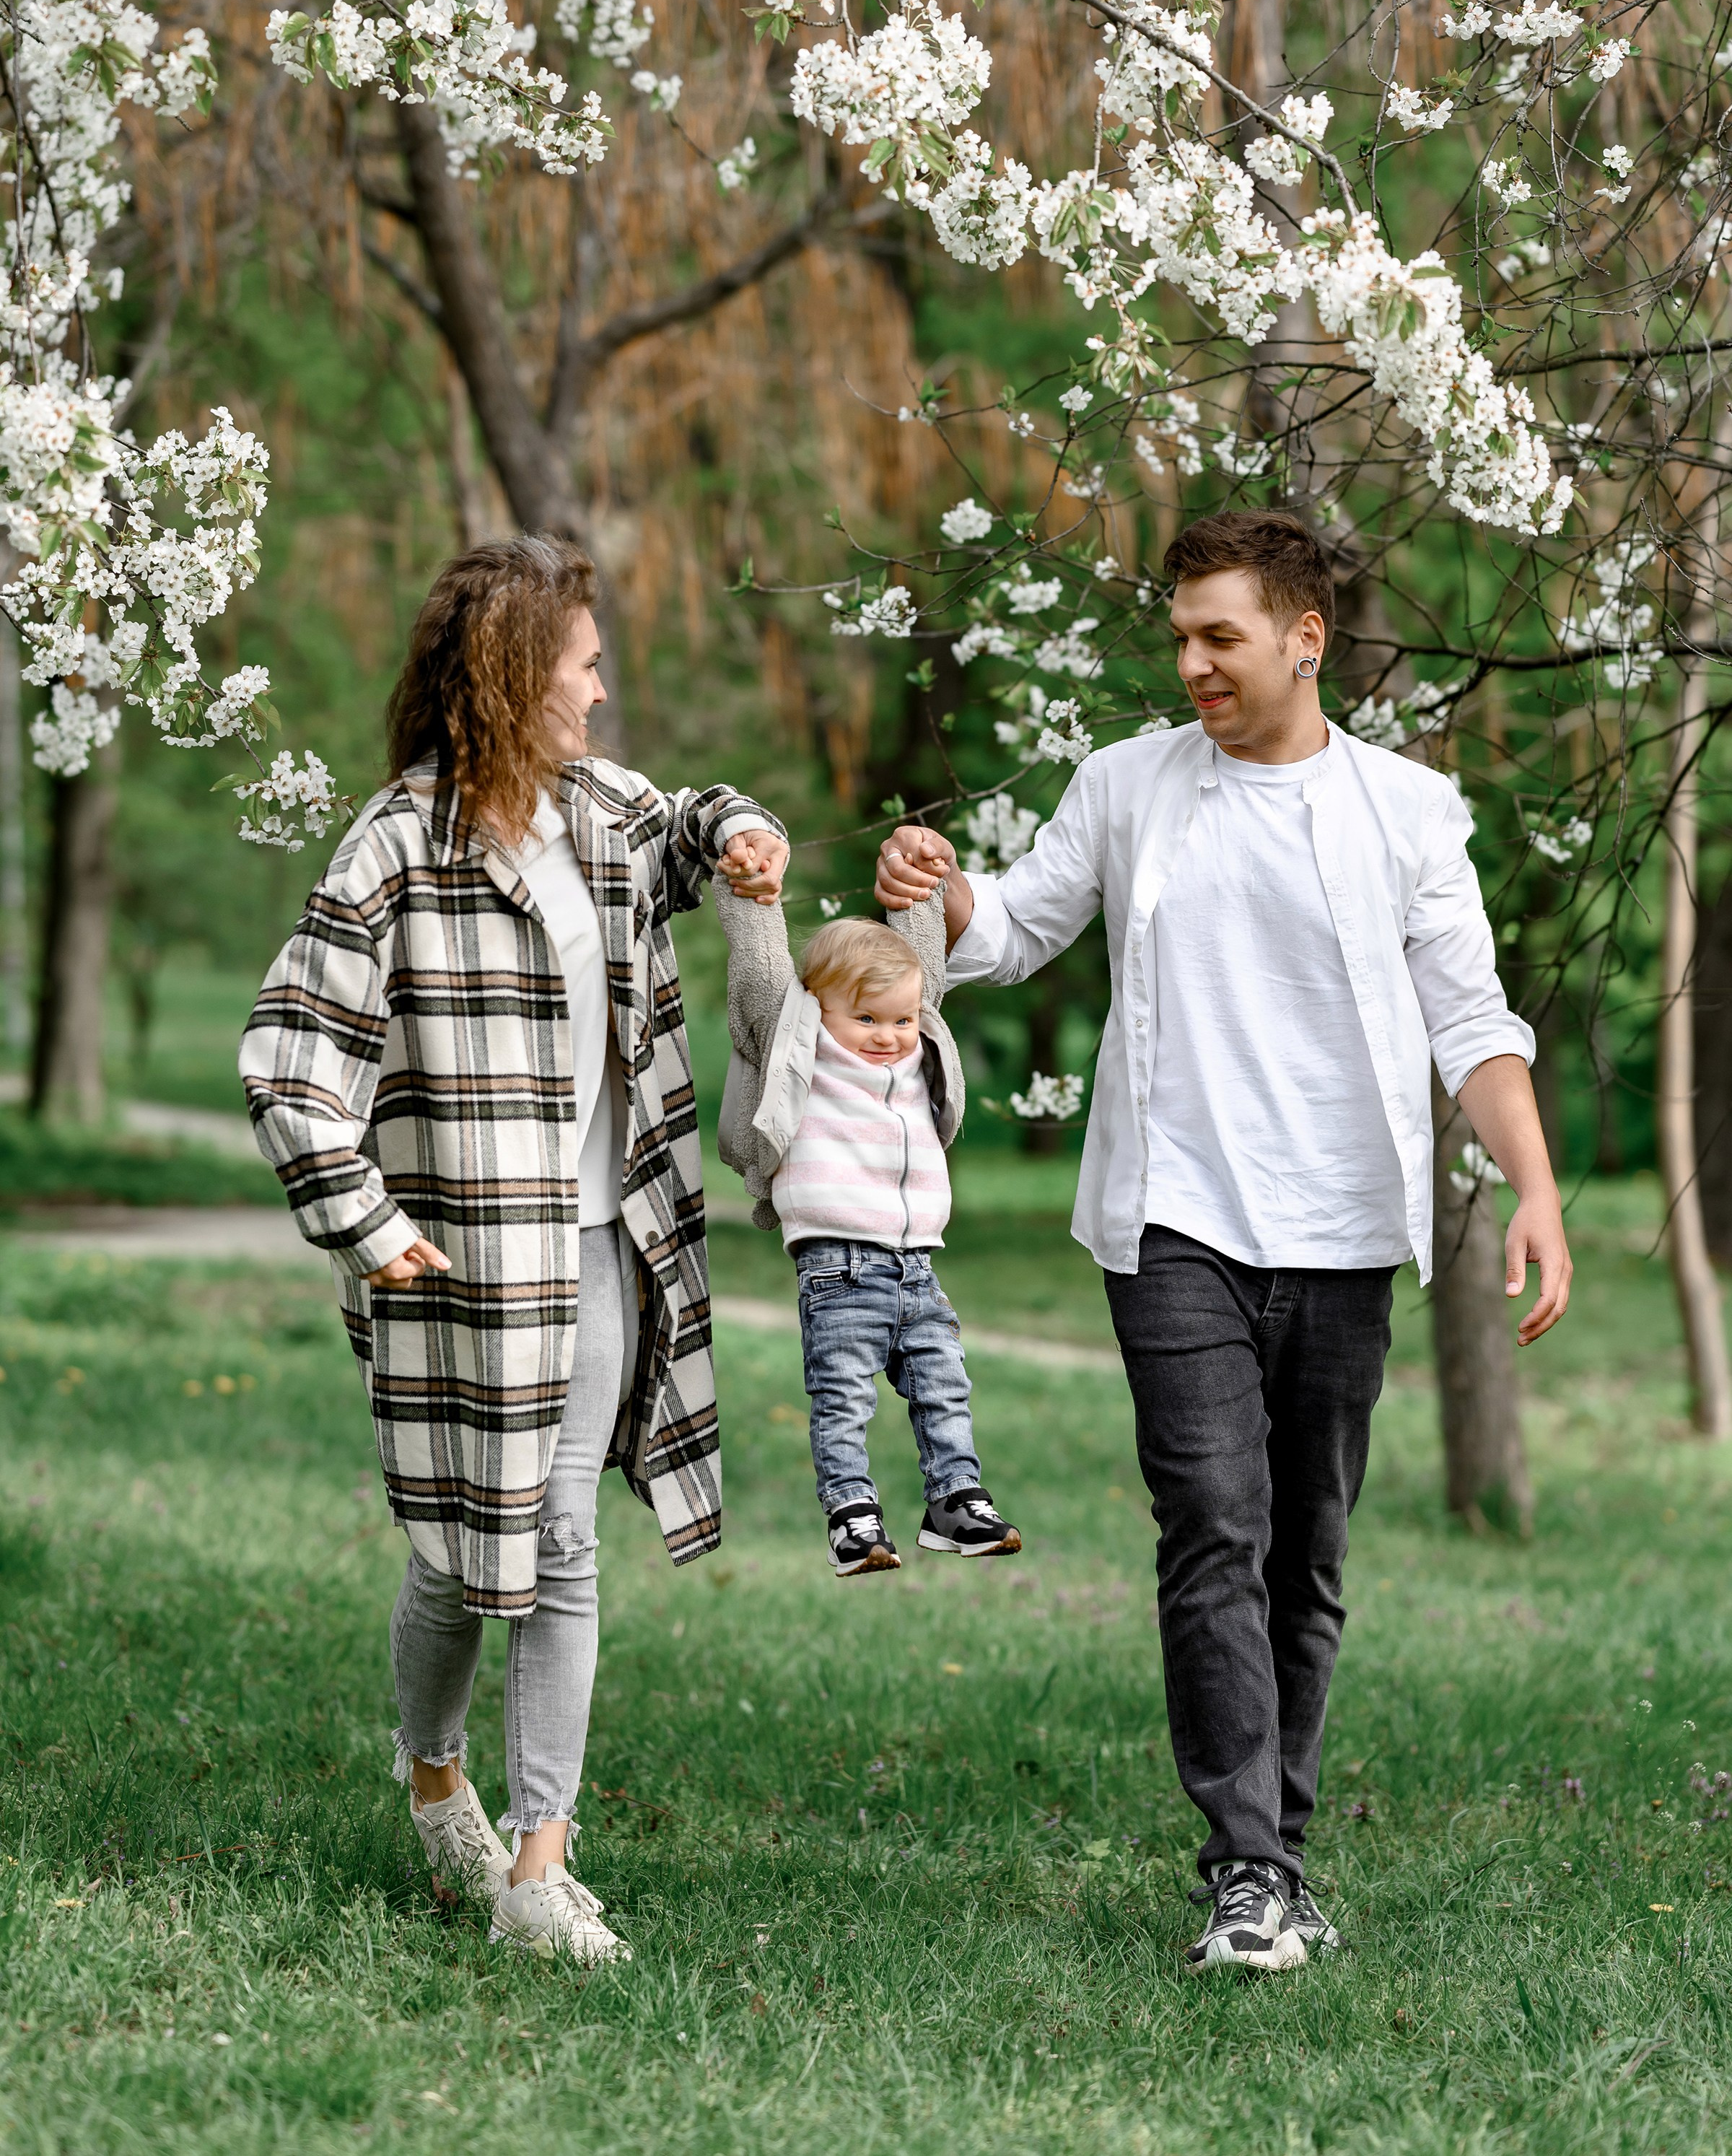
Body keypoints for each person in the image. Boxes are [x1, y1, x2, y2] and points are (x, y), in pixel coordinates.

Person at [876, 509, 1570, 1975]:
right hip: (1172, 1215)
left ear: (1305, 639)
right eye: (1180, 636)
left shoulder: (1406, 811)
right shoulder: (1127, 785)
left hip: (1341, 1227)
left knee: (1305, 1554)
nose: (1191, 662)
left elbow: (1470, 1019)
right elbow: (1013, 927)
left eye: (1220, 637)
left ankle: (1283, 1854)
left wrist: (1536, 1188)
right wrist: (942, 888)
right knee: (1211, 1522)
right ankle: (1245, 1871)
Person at [240, 536, 787, 1965]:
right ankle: (435, 1777)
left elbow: (695, 822)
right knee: (460, 1552)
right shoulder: (393, 849)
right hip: (465, 1261)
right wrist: (367, 1224)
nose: (601, 695)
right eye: (585, 667)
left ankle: (540, 1864)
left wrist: (743, 834)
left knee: (560, 1543)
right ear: (512, 674)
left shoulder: (604, 811)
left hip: (605, 1241)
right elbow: (289, 1058)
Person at [712, 889, 1020, 1574]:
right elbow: (761, 969)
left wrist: (922, 883)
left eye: (901, 1018)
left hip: (919, 1267)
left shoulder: (915, 1051)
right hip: (839, 1266)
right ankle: (851, 1513)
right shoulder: (804, 1048)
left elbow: (921, 960)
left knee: (945, 1387)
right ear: (817, 1009)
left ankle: (955, 1500)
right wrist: (750, 889)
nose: (887, 1034)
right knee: (843, 1398)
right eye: (867, 1018)